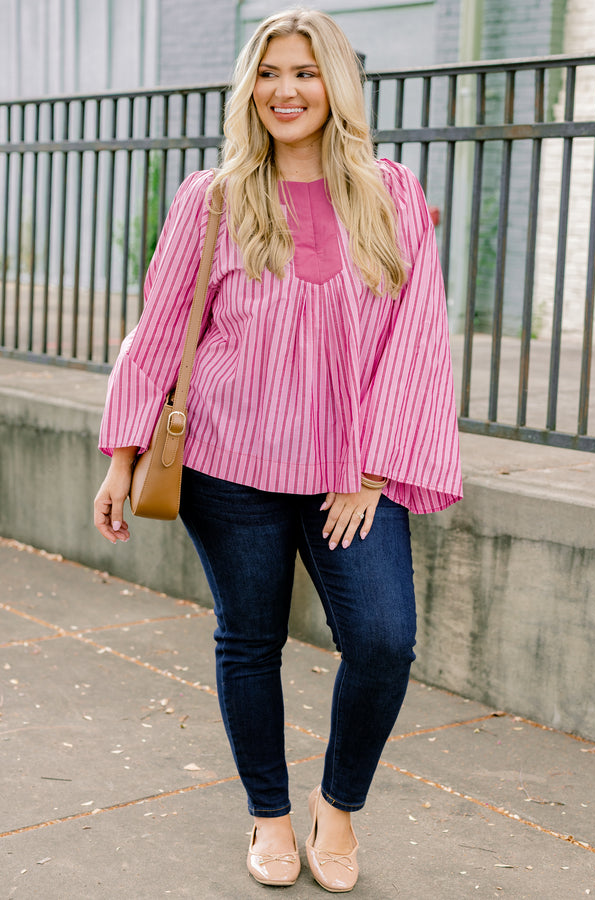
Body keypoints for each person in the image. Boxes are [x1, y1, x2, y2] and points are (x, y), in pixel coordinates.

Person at [94, 7, 462, 893]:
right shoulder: (213, 197)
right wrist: (122, 455)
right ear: (248, 88)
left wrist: (373, 469)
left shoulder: (391, 193)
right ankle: (269, 816)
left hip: (352, 474)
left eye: (303, 71)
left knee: (383, 641)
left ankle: (337, 809)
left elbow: (416, 337)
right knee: (249, 641)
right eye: (267, 73)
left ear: (336, 83)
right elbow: (163, 327)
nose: (284, 90)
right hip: (229, 463)